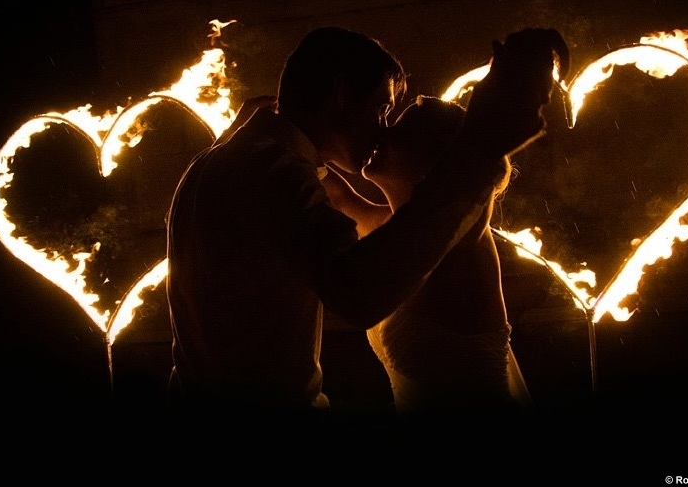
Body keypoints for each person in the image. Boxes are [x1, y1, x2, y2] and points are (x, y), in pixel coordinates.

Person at [165, 25, 567, 421]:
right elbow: (357, 291)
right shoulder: (277, 173)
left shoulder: (218, 161)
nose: (381, 129)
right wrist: (481, 142)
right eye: (382, 108)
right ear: (341, 94)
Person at [322, 96, 534, 422]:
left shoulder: (462, 240)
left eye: (401, 131)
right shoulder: (396, 232)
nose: (381, 135)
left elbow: (479, 168)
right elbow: (335, 194)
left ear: (437, 162)